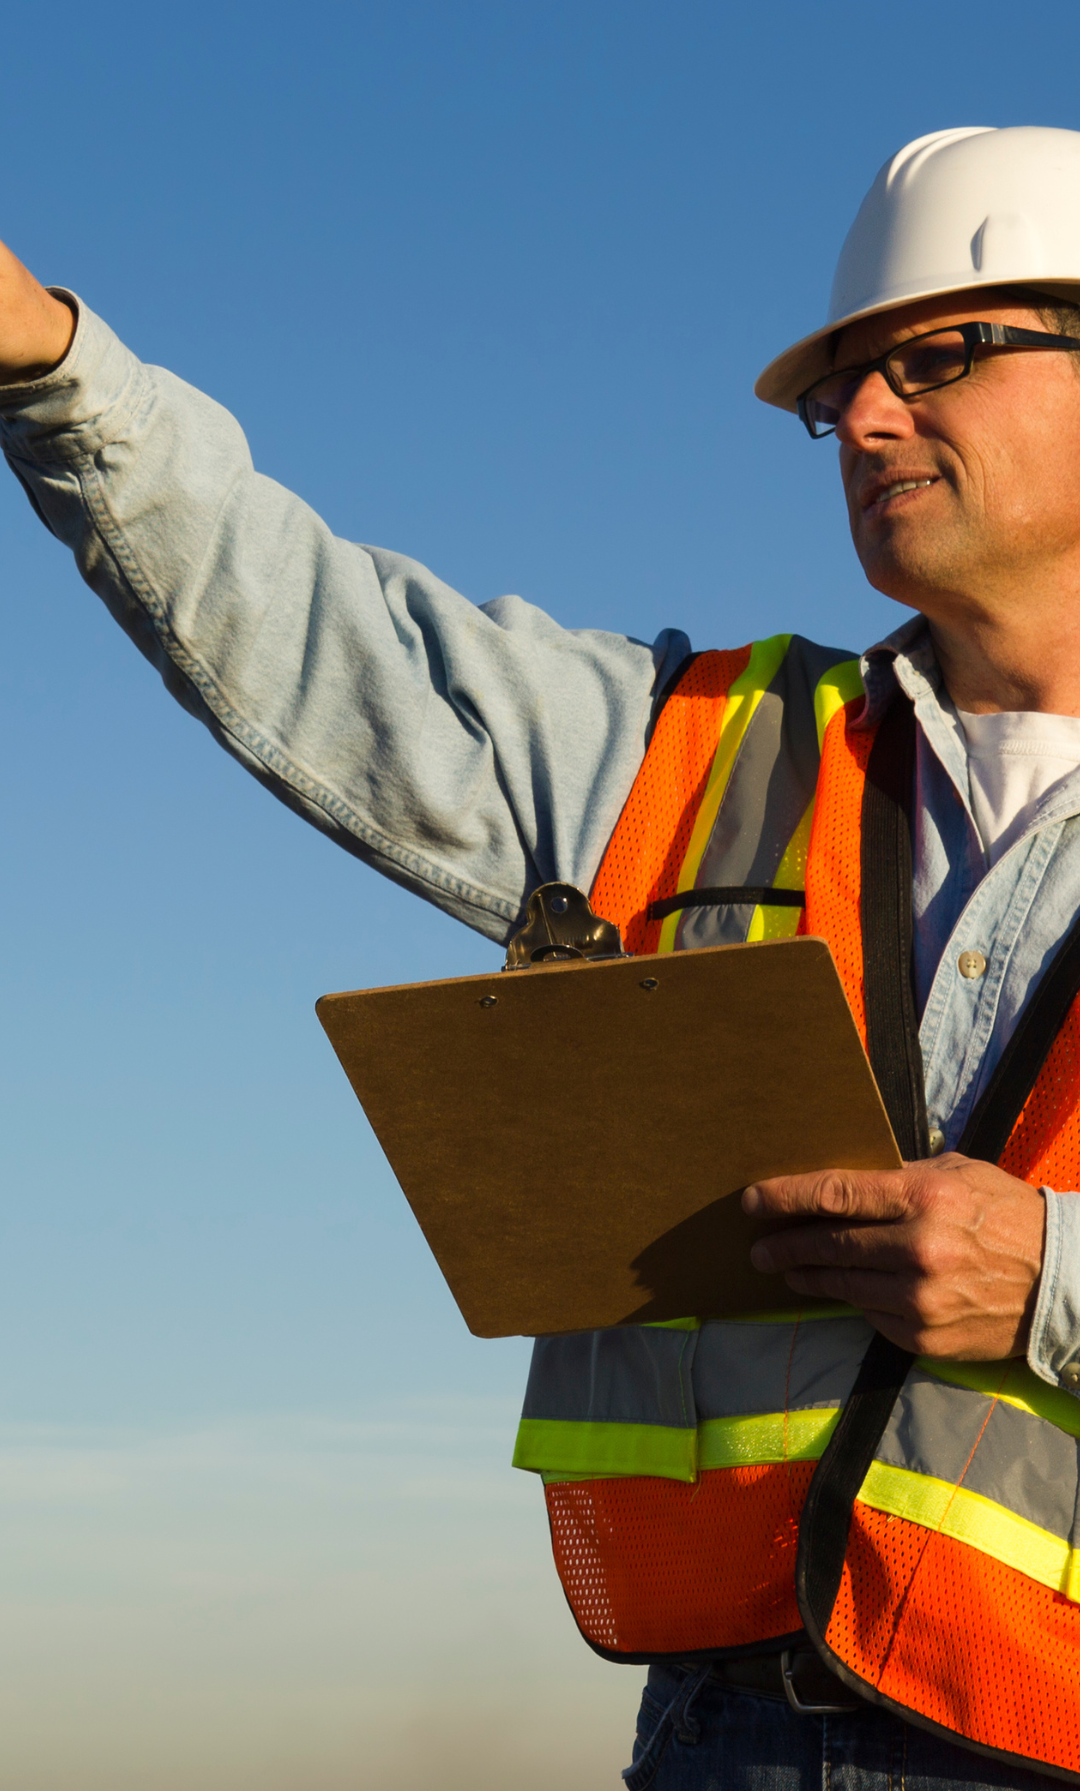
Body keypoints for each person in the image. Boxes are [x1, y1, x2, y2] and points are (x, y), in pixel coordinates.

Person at [4, 122, 1080, 1791]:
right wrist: (53, 369)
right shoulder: (696, 744)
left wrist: (1056, 1288)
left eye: (936, 358)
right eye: (843, 389)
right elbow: (317, 631)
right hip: (724, 1731)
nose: (866, 418)